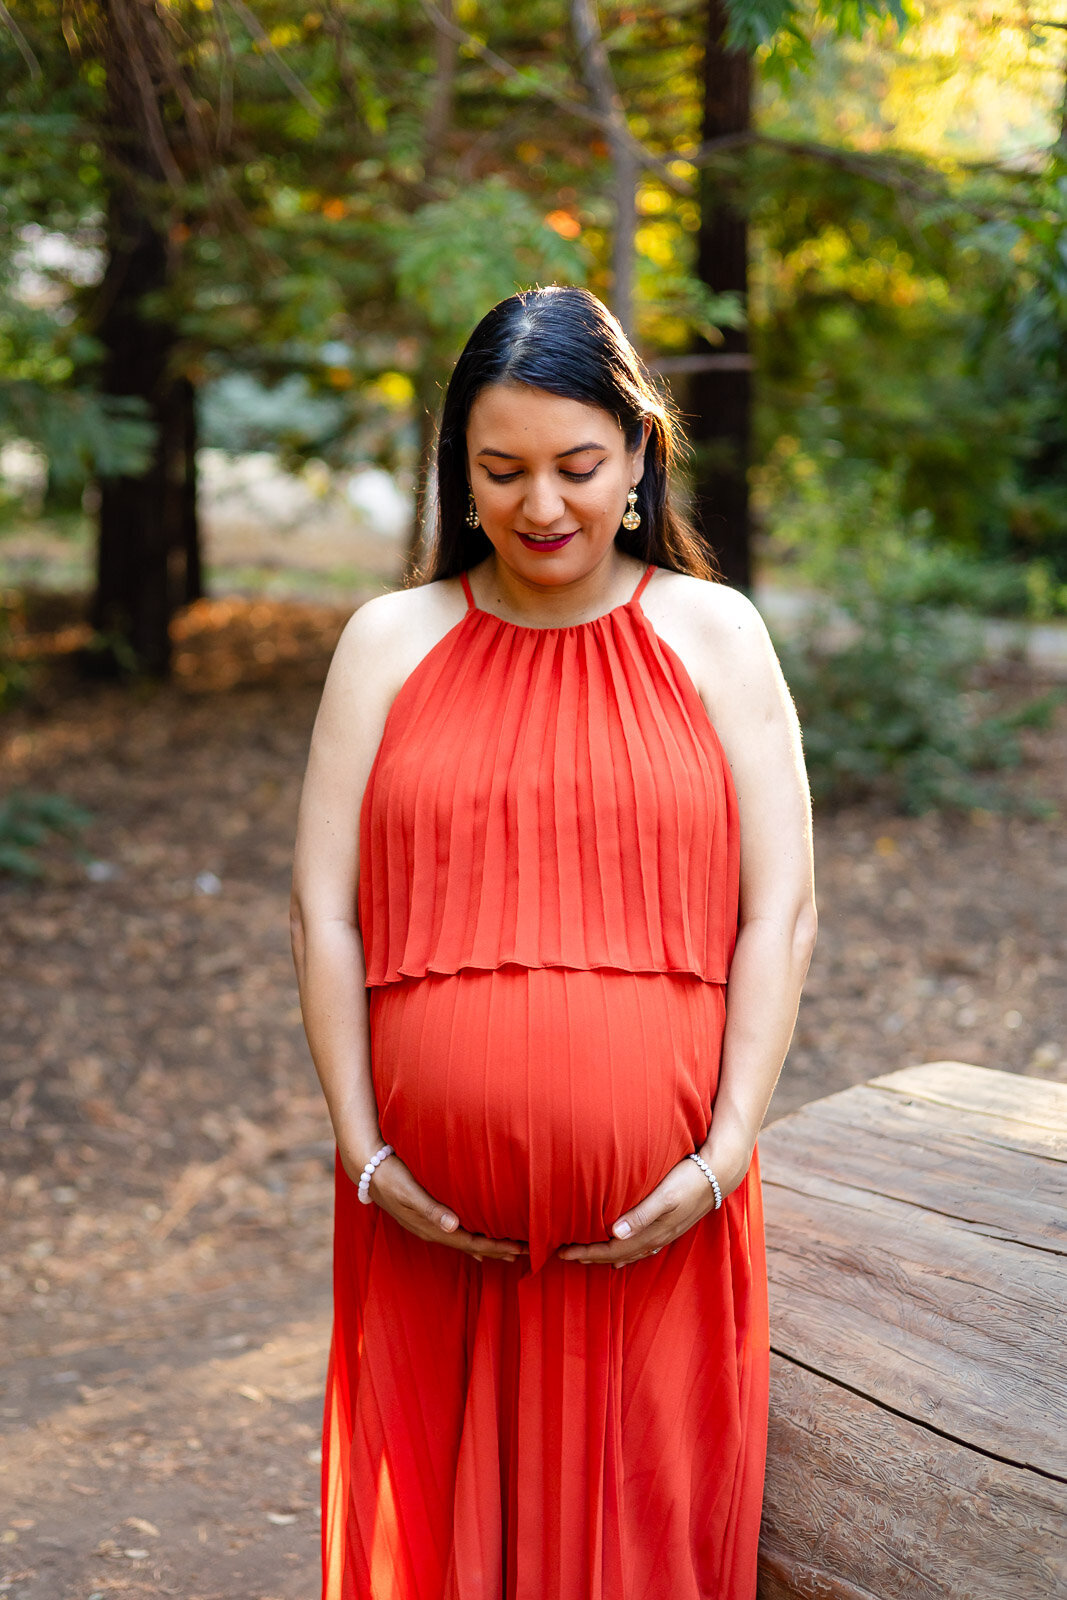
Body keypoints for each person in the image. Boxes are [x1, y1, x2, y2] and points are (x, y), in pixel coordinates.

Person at [290, 285, 816, 1600]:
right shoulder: (387, 644)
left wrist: (722, 1152)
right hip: (428, 1242)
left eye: (578, 467)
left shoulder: (716, 634)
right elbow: (323, 909)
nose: (542, 507)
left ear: (640, 454)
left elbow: (782, 909)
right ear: (459, 475)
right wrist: (366, 1154)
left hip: (664, 1241)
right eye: (502, 470)